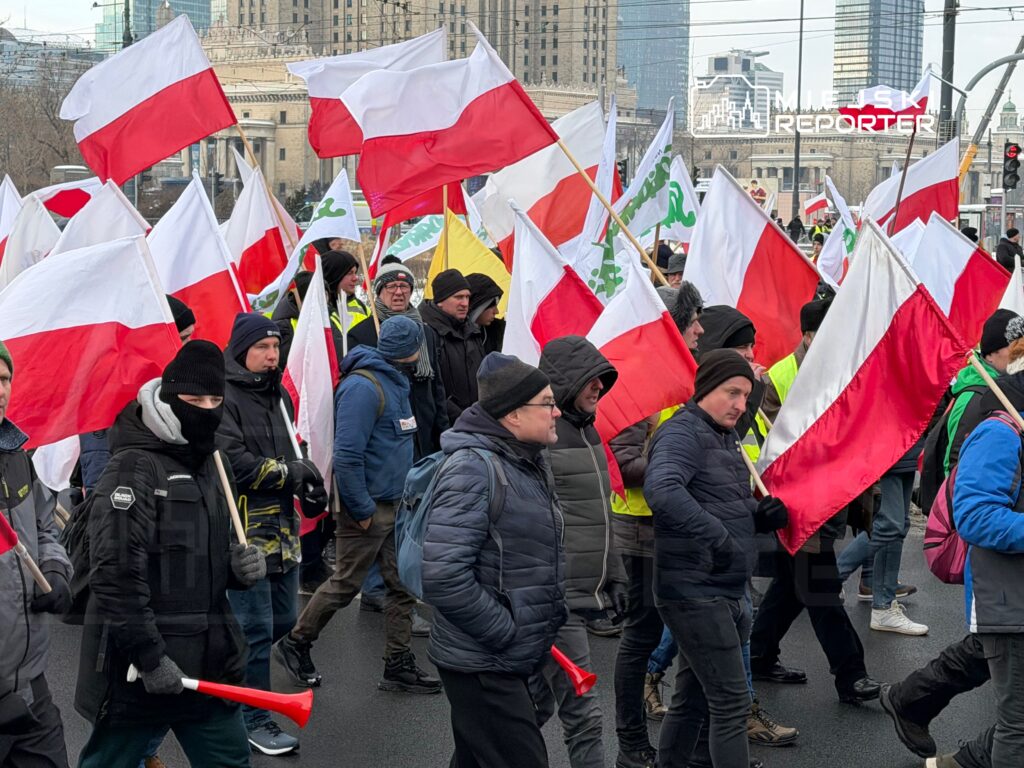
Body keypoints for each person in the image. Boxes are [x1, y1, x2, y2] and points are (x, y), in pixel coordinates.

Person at [76, 342, 265, 768]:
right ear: (167, 396)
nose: (206, 408)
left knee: (229, 761)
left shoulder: (214, 462)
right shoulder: (134, 467)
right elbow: (115, 574)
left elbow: (204, 548)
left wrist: (234, 567)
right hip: (142, 668)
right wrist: (149, 656)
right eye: (194, 400)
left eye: (215, 400)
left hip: (210, 659)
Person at [275, 316, 441, 694]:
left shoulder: (395, 382)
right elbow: (348, 456)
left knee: (401, 587)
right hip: (368, 509)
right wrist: (362, 510)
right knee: (346, 584)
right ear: (412, 350)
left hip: (396, 505)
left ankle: (397, 665)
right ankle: (296, 643)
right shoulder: (364, 388)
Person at [421, 352, 567, 768]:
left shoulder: (527, 461)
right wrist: (507, 631)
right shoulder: (472, 468)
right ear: (513, 415)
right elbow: (444, 575)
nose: (556, 411)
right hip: (484, 659)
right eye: (546, 402)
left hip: (509, 656)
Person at [645, 349, 789, 768]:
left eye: (746, 395)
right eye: (733, 392)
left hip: (718, 587)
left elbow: (720, 500)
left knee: (691, 701)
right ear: (706, 387)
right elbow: (663, 491)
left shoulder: (721, 434)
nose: (742, 405)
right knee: (731, 704)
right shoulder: (681, 434)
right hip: (693, 591)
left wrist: (758, 517)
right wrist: (721, 538)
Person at [748, 299, 882, 705]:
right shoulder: (780, 377)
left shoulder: (842, 372)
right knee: (822, 591)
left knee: (791, 587)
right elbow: (772, 447)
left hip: (830, 500)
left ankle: (758, 653)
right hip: (798, 506)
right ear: (808, 335)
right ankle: (851, 674)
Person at [217, 313, 326, 756]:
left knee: (282, 620)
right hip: (245, 529)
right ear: (242, 350)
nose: (271, 355)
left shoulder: (277, 393)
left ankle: (225, 678)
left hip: (283, 528)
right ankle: (251, 715)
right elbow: (232, 461)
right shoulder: (224, 396)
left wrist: (310, 487)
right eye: (262, 347)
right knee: (256, 629)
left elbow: (293, 451)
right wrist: (288, 473)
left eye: (276, 347)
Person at [535, 336, 625, 768]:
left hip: (581, 593)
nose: (598, 388)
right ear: (566, 382)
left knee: (528, 709)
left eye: (602, 380)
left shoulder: (590, 430)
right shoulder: (542, 439)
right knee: (584, 713)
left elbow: (601, 515)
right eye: (591, 379)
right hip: (555, 598)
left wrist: (616, 573)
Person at [941, 392, 1024, 767]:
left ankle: (963, 761)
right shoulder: (1001, 432)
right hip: (1010, 606)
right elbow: (975, 517)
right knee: (1018, 729)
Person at [0, 341, 72, 768]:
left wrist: (55, 569)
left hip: (29, 684)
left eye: (4, 379)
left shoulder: (16, 455)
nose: (0, 390)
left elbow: (45, 525)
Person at [80, 295, 197, 491]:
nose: (190, 346)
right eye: (184, 338)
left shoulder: (180, 383)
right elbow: (101, 471)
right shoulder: (112, 389)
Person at [349, 262, 449, 460]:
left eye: (404, 287)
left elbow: (436, 385)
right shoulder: (361, 334)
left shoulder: (426, 332)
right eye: (391, 286)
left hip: (425, 430)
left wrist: (442, 429)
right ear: (378, 291)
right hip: (387, 433)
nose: (398, 292)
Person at [420, 269, 486, 423]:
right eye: (458, 297)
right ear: (441, 301)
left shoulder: (473, 331)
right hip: (445, 426)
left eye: (467, 297)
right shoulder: (425, 332)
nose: (465, 303)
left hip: (475, 420)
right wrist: (458, 416)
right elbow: (429, 387)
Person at [466, 273, 505, 355]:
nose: (496, 311)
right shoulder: (454, 336)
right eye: (491, 306)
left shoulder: (500, 331)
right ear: (478, 309)